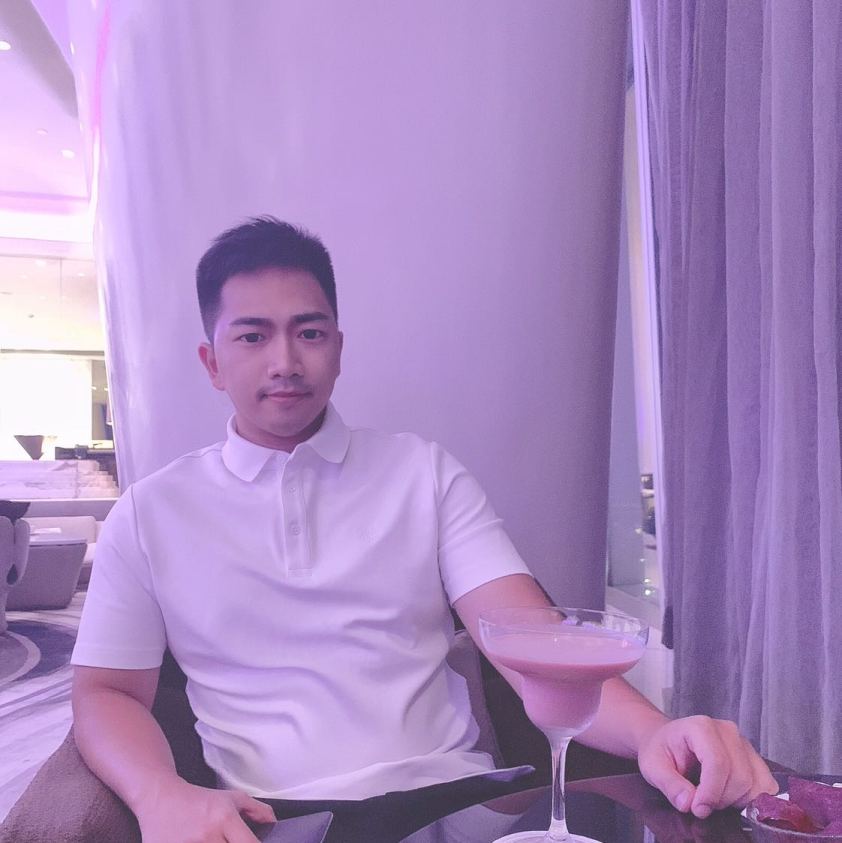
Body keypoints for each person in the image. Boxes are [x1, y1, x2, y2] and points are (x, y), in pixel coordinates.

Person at [71, 217, 776, 843]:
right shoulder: (151, 512)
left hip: (458, 806)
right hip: (277, 818)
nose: (285, 361)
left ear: (338, 348)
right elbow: (105, 692)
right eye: (252, 336)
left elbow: (531, 640)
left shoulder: (423, 474)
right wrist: (160, 795)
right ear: (212, 362)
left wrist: (657, 733)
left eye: (309, 333)